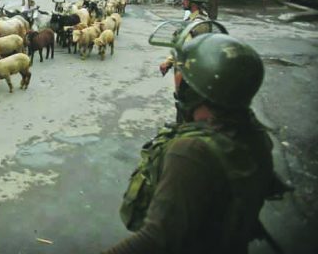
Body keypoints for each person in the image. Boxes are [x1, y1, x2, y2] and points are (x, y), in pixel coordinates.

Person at [104, 21, 287, 254]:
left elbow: (155, 240)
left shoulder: (191, 151)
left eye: (181, 71)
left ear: (196, 86)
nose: (176, 76)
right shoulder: (255, 135)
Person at [159, 0, 210, 76]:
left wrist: (168, 62)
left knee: (181, 90)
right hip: (195, 66)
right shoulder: (200, 17)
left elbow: (183, 48)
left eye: (186, 0)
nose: (183, 2)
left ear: (193, 4)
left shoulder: (197, 23)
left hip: (189, 69)